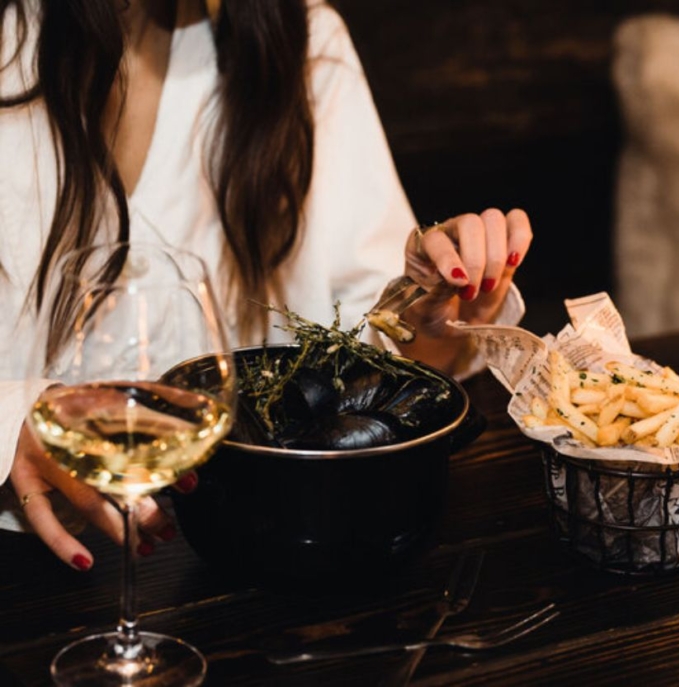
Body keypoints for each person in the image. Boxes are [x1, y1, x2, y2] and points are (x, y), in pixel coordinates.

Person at [0, 0, 532, 571]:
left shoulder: (306, 40)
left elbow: (373, 366)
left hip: (248, 551)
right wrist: (11, 421)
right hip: (26, 562)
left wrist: (433, 320)